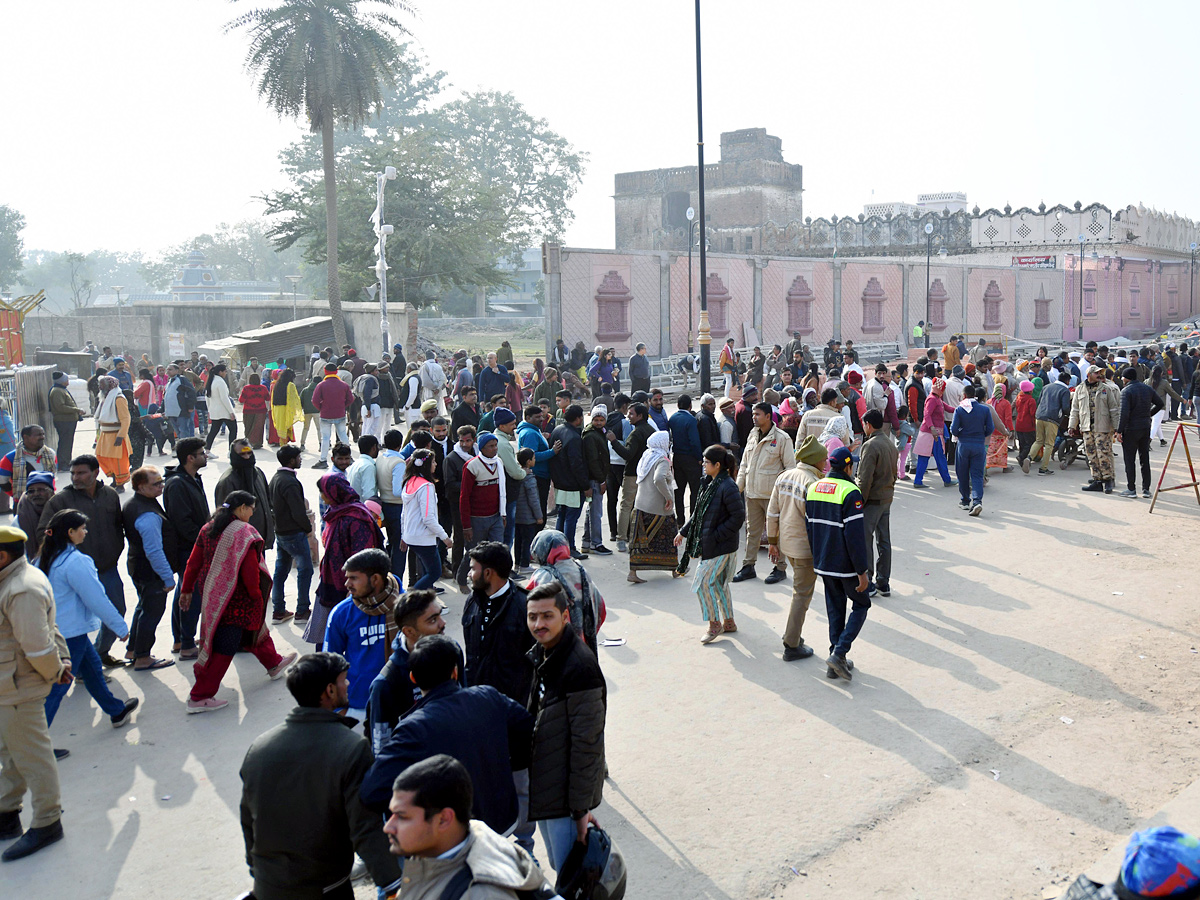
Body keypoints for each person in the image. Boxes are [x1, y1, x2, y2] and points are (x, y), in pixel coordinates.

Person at [239, 652, 401, 900]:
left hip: (268, 887)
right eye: (343, 680)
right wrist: (392, 884)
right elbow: (365, 826)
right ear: (329, 691)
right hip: (326, 888)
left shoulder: (259, 748)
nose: (347, 684)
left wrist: (261, 872)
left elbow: (249, 820)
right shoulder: (351, 748)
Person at [362, 633, 534, 842]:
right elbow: (527, 729)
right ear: (454, 672)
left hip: (449, 841)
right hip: (500, 825)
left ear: (413, 678)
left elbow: (373, 791)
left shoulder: (413, 729)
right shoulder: (488, 696)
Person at [180, 490, 298, 713]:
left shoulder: (209, 527)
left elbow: (193, 562)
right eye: (252, 509)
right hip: (238, 598)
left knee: (252, 629)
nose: (253, 514)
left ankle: (273, 663)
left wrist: (186, 590)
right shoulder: (244, 532)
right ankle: (200, 696)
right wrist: (257, 596)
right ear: (242, 508)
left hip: (215, 594)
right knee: (226, 644)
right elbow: (250, 570)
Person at [381, 755, 554, 899]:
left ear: (444, 820)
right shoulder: (440, 850)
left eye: (402, 816)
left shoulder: (481, 894)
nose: (388, 827)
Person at [0, 524, 71, 861]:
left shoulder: (21, 589)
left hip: (18, 686)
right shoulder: (13, 578)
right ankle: (6, 814)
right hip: (7, 686)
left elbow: (38, 645)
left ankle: (47, 822)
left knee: (32, 755)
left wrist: (56, 671)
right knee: (12, 752)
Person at [525, 581, 607, 870]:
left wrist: (580, 810)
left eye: (547, 616)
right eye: (532, 616)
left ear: (565, 616)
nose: (538, 624)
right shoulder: (545, 652)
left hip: (565, 801)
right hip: (548, 788)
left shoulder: (579, 667)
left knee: (570, 876)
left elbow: (588, 744)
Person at [39, 510, 138, 729]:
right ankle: (36, 747)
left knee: (93, 670)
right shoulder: (75, 561)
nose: (85, 532)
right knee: (59, 686)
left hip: (59, 630)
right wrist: (119, 626)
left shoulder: (46, 558)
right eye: (82, 528)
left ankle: (116, 711)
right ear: (70, 533)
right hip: (69, 634)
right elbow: (96, 598)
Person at [37, 455, 126, 668]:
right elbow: (44, 531)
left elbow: (118, 526)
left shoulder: (110, 495)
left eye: (81, 473)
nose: (76, 477)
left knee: (117, 609)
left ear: (96, 473)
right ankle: (78, 667)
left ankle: (99, 653)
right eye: (73, 473)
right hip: (77, 572)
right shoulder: (60, 501)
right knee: (76, 624)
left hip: (107, 567)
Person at [804, 447, 870, 680]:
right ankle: (839, 652)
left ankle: (836, 658)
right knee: (862, 604)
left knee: (835, 607)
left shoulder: (813, 488)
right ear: (848, 467)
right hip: (845, 565)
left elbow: (809, 527)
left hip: (823, 561)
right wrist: (862, 570)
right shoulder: (851, 492)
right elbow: (855, 537)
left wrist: (818, 557)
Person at [674, 445, 745, 643]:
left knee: (702, 584)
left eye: (706, 462)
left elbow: (738, 516)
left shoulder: (727, 486)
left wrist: (715, 535)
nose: (703, 465)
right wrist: (683, 532)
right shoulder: (710, 483)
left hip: (720, 546)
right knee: (719, 584)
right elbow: (698, 513)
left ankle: (715, 625)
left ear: (717, 465)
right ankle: (729, 622)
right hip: (716, 543)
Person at [322, 548, 401, 722]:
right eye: (347, 577)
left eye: (354, 578)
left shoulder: (407, 607)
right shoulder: (341, 613)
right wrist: (340, 709)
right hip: (359, 707)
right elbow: (328, 664)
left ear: (375, 579)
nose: (347, 584)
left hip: (402, 703)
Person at [767, 436, 827, 662]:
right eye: (824, 459)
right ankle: (792, 643)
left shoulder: (784, 477)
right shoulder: (812, 483)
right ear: (815, 460)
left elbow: (772, 512)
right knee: (801, 595)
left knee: (798, 591)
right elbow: (816, 523)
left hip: (787, 545)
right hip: (805, 548)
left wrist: (773, 541)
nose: (826, 462)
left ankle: (793, 637)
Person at [306, 475, 384, 648]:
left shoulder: (356, 518)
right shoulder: (335, 513)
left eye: (323, 492)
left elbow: (362, 556)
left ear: (335, 492)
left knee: (349, 636)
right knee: (327, 636)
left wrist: (354, 588)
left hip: (349, 587)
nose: (321, 496)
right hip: (330, 582)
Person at [121, 466, 178, 671]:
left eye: (161, 482)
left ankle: (133, 650)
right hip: (150, 571)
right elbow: (154, 551)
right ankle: (143, 657)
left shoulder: (137, 503)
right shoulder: (147, 515)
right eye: (156, 484)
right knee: (152, 612)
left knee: (143, 607)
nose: (161, 486)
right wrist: (167, 578)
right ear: (141, 486)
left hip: (138, 567)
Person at [733, 402, 795, 586]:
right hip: (752, 494)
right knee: (752, 532)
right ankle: (748, 566)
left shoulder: (782, 439)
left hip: (772, 496)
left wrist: (782, 495)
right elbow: (744, 465)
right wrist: (738, 489)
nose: (754, 417)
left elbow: (789, 469)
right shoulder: (752, 435)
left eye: (757, 414)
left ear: (768, 416)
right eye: (753, 414)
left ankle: (780, 568)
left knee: (776, 533)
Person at [163, 438, 209, 658]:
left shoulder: (192, 479)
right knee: (192, 594)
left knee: (185, 591)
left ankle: (181, 640)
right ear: (190, 458)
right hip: (189, 549)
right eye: (201, 453)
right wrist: (203, 543)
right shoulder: (177, 484)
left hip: (194, 547)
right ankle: (187, 643)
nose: (205, 455)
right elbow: (182, 522)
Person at [525, 530, 605, 655]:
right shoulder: (580, 569)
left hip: (556, 646)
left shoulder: (542, 576)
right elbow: (600, 607)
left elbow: (529, 609)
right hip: (583, 647)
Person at [268, 444, 314, 624]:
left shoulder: (276, 478)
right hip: (294, 534)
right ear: (291, 460)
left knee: (280, 572)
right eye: (298, 457)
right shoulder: (289, 482)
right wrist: (308, 528)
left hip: (281, 532)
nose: (301, 460)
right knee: (305, 570)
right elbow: (298, 511)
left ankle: (278, 611)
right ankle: (302, 611)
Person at [856, 410, 897, 596]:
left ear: (868, 424)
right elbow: (895, 474)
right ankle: (883, 581)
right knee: (884, 541)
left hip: (872, 500)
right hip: (886, 497)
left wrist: (859, 501)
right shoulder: (889, 444)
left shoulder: (870, 446)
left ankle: (869, 581)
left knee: (865, 541)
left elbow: (864, 479)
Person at [628, 430, 677, 584]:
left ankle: (632, 572)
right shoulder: (662, 459)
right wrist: (668, 497)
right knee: (671, 538)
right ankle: (675, 569)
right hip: (659, 507)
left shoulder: (647, 455)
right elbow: (658, 479)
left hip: (641, 505)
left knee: (639, 541)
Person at [400, 449, 452, 589]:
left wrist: (404, 535)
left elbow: (404, 513)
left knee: (425, 572)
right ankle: (412, 601)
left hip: (411, 536)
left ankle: (425, 604)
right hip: (423, 537)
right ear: (426, 465)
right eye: (433, 462)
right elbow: (428, 518)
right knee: (434, 573)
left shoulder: (409, 481)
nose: (435, 464)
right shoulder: (426, 486)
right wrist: (445, 537)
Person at [1070, 363, 1122, 494]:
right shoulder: (1080, 389)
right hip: (1087, 427)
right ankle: (1097, 480)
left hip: (1102, 427)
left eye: (1100, 373)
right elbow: (1075, 409)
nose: (1100, 375)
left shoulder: (1106, 389)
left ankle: (1108, 480)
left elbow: (1114, 409)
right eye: (1096, 373)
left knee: (1103, 453)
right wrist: (1072, 425)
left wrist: (1116, 428)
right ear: (1089, 375)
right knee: (1091, 454)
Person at [214, 439, 275, 548]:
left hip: (260, 539)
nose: (247, 457)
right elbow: (224, 517)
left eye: (249, 453)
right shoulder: (227, 481)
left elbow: (268, 501)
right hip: (241, 545)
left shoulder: (258, 473)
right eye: (242, 454)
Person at [610, 401, 654, 551]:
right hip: (648, 474)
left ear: (640, 415)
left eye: (631, 414)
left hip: (633, 474)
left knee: (626, 506)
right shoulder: (651, 430)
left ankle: (621, 538)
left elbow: (627, 454)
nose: (628, 416)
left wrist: (614, 441)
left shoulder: (635, 434)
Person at [548, 405, 590, 558]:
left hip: (560, 481)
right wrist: (585, 485)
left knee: (562, 515)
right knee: (571, 518)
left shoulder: (558, 430)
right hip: (572, 485)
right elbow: (576, 464)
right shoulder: (573, 437)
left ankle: (558, 548)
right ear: (579, 418)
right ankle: (569, 548)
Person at [459, 433, 507, 566]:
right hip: (477, 519)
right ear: (482, 449)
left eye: (495, 445)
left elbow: (502, 491)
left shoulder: (499, 462)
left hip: (496, 516)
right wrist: (466, 525)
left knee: (498, 551)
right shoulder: (471, 466)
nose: (495, 449)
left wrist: (503, 514)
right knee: (473, 553)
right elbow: (464, 497)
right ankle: (462, 580)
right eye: (490, 446)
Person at [1117, 366, 1162, 498]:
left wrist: (1119, 431)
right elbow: (1159, 404)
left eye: (1123, 378)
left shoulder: (1126, 391)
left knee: (1129, 460)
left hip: (1131, 429)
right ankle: (1146, 489)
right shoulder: (1147, 388)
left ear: (1126, 378)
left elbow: (1124, 413)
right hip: (1145, 427)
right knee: (1144, 458)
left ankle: (1131, 489)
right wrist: (1148, 414)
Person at [950, 384, 994, 515]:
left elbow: (953, 430)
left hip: (963, 445)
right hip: (979, 445)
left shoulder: (959, 409)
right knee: (977, 475)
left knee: (962, 473)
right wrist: (981, 435)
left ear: (963, 395)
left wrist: (962, 432)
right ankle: (977, 501)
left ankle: (964, 501)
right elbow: (990, 428)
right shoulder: (984, 410)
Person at [912, 379, 956, 489]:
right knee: (939, 457)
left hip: (929, 434)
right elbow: (927, 415)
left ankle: (918, 481)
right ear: (941, 389)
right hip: (933, 434)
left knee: (924, 457)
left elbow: (949, 409)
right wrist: (932, 429)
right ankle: (947, 480)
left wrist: (960, 408)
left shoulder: (936, 399)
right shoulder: (933, 399)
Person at [668, 395, 703, 523]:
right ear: (690, 406)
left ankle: (680, 519)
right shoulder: (691, 420)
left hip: (677, 457)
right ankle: (692, 520)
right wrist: (699, 457)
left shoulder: (672, 418)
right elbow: (694, 441)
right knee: (694, 490)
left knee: (679, 490)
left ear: (678, 405)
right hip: (691, 458)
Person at [0, 425, 57, 504]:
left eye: (43, 434)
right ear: (26, 437)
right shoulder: (10, 458)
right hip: (23, 503)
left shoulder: (51, 454)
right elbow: (2, 481)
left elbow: (53, 477)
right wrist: (17, 494)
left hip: (49, 501)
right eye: (38, 435)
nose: (42, 437)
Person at [1030, 371, 1073, 476]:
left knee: (1039, 440)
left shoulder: (1046, 387)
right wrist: (1070, 414)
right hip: (1052, 419)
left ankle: (1028, 458)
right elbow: (1065, 408)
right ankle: (1043, 469)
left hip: (1039, 416)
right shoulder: (1064, 390)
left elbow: (1039, 401)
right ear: (1067, 381)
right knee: (1049, 444)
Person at [312, 363, 354, 469]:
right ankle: (350, 457)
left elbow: (315, 400)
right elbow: (350, 399)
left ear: (325, 371)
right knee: (343, 435)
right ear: (336, 371)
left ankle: (323, 460)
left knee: (325, 438)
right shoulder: (343, 384)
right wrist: (342, 406)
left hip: (326, 414)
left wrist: (321, 408)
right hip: (340, 413)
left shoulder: (321, 385)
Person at [93, 375, 131, 491]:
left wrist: (121, 436)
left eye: (102, 384)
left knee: (118, 461)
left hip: (116, 434)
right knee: (102, 457)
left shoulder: (119, 398)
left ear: (109, 385)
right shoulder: (105, 398)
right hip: (105, 434)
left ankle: (121, 484)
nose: (100, 386)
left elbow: (125, 419)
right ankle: (114, 479)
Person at [513, 448, 542, 574]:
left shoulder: (517, 475)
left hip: (517, 515)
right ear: (529, 461)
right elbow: (533, 499)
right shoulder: (529, 477)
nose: (535, 460)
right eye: (534, 458)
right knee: (527, 541)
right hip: (528, 516)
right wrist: (539, 516)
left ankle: (517, 564)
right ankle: (525, 564)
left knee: (518, 540)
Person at [48, 373, 83, 472]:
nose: (68, 382)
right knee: (65, 443)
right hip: (64, 421)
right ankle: (63, 464)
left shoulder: (61, 389)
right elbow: (60, 407)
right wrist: (76, 410)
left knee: (68, 442)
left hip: (68, 420)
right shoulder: (57, 391)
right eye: (66, 380)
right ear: (61, 381)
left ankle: (66, 462)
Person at [16, 473, 54, 561]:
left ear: (51, 492)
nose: (36, 494)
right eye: (31, 491)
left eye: (41, 490)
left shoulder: (60, 512)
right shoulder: (19, 519)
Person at [203, 363, 237, 453]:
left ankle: (207, 451)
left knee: (213, 431)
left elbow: (207, 397)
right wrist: (231, 412)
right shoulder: (220, 382)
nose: (226, 373)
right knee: (233, 430)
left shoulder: (211, 381)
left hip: (215, 411)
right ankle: (231, 452)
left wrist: (210, 410)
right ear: (220, 372)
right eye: (225, 371)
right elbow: (224, 398)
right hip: (224, 411)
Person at [238, 373, 271, 450]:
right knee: (259, 427)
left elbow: (241, 400)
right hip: (261, 411)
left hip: (248, 411)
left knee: (248, 426)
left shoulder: (246, 388)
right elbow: (267, 398)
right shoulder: (263, 388)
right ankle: (258, 443)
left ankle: (248, 442)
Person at [347, 434, 380, 503]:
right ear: (374, 447)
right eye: (377, 446)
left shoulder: (356, 463)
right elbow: (368, 495)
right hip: (362, 508)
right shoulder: (368, 466)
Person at [1014, 380, 1038, 473]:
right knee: (1030, 443)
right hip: (1028, 425)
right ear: (1031, 391)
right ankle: (1021, 457)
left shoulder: (1019, 397)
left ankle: (1021, 460)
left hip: (1019, 423)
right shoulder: (1031, 400)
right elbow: (1033, 413)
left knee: (1022, 442)